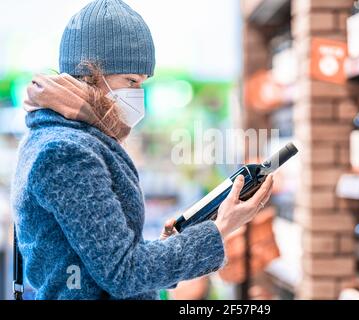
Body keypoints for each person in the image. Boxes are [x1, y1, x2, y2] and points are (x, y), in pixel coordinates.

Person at [11, 0, 273, 300]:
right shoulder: (66, 152)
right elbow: (124, 273)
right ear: (89, 73)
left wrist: (167, 245)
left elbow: (104, 261)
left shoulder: (64, 137)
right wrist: (219, 229)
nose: (138, 94)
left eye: (142, 83)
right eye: (131, 81)